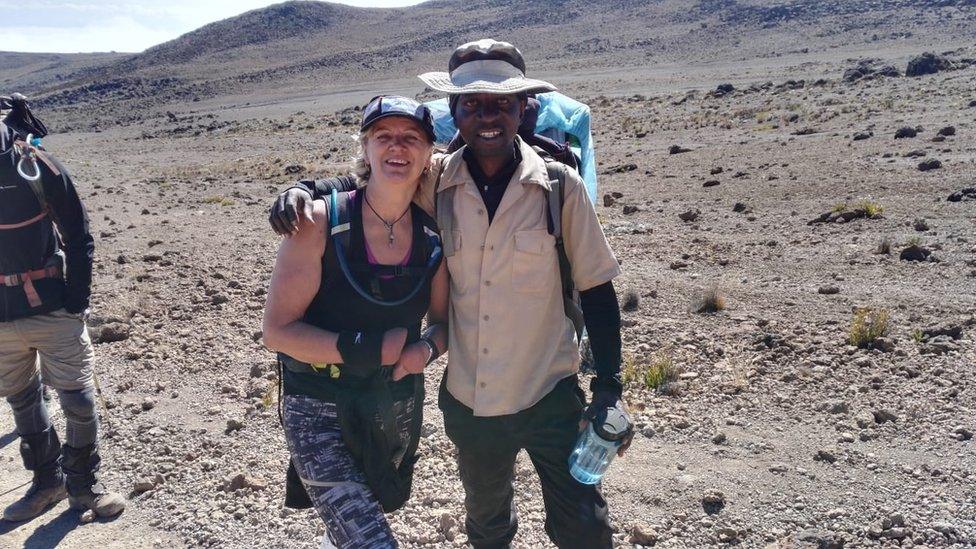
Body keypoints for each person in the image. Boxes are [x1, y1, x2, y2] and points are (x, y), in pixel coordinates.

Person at [269, 40, 633, 549]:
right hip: (471, 401)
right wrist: (306, 188)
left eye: (501, 103)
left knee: (585, 531)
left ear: (523, 108)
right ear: (455, 112)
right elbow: (372, 182)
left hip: (550, 393)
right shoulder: (434, 180)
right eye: (473, 103)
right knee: (487, 527)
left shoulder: (559, 187)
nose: (488, 116)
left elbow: (597, 291)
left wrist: (609, 389)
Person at [262, 95, 449, 548]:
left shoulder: (434, 236)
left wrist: (423, 351)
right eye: (383, 136)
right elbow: (277, 332)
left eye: (411, 138)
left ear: (429, 155)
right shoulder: (319, 222)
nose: (397, 147)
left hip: (392, 403)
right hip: (317, 405)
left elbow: (443, 324)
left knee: (359, 517)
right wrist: (368, 348)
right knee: (369, 538)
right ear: (365, 149)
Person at [0, 94, 125, 521]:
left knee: (79, 400)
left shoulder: (37, 167)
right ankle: (46, 484)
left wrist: (77, 300)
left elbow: (78, 235)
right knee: (22, 401)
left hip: (53, 308)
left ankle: (84, 486)